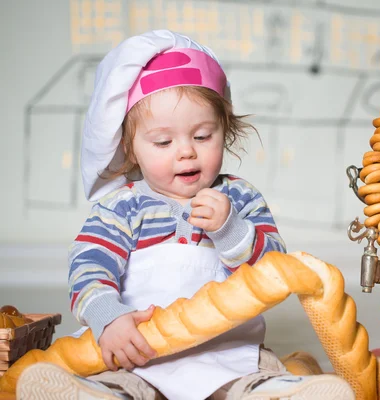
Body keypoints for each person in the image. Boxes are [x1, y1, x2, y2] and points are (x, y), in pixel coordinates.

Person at [17, 30, 354, 400]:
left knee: (253, 379)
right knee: (120, 384)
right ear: (130, 149)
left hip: (227, 351)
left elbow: (275, 270)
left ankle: (279, 393)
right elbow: (88, 265)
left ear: (224, 131)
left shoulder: (238, 196)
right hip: (139, 354)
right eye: (163, 142)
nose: (186, 153)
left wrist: (232, 231)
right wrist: (107, 317)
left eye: (203, 136)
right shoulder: (121, 207)